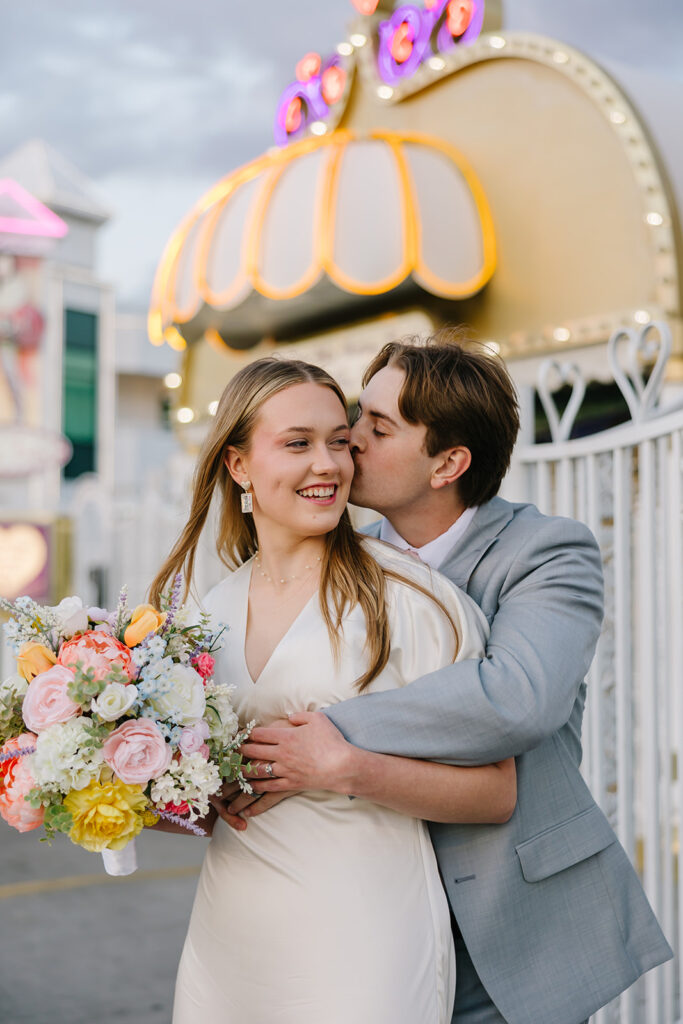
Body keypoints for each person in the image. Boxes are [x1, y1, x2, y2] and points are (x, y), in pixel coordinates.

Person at [217, 335, 673, 1024]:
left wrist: (327, 736)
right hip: (366, 910)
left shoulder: (543, 550)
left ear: (448, 464)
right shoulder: (343, 558)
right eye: (353, 421)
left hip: (504, 914)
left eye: (376, 428)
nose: (349, 445)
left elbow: (517, 697)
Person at [150, 357, 518, 1024]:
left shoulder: (412, 602)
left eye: (339, 442)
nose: (327, 464)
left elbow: (495, 793)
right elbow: (199, 793)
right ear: (237, 465)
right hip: (231, 928)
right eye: (297, 443)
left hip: (365, 933)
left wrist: (346, 766)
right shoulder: (207, 615)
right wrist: (143, 786)